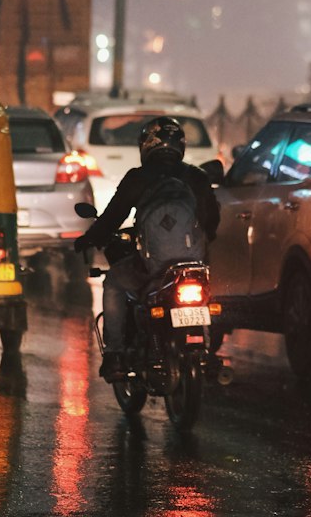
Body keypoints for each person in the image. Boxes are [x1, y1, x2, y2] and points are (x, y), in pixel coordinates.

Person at [76, 115, 220, 381]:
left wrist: (89, 238)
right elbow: (212, 221)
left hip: (152, 267)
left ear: (146, 145)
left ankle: (115, 355)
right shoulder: (196, 177)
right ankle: (208, 350)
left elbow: (112, 218)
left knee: (115, 284)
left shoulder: (138, 178)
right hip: (193, 267)